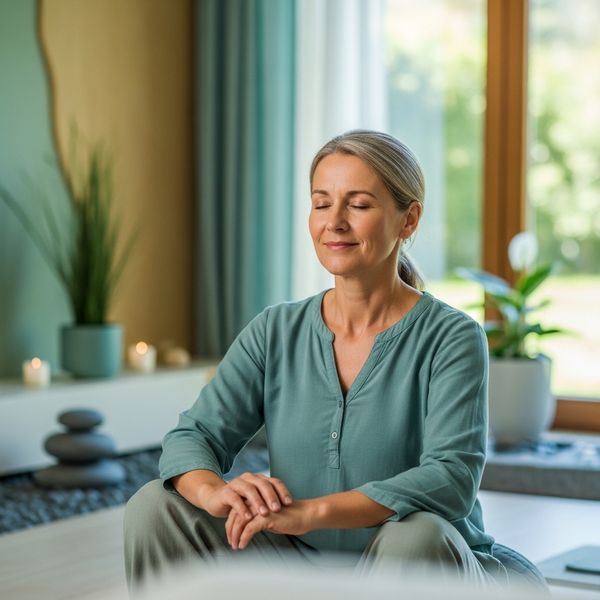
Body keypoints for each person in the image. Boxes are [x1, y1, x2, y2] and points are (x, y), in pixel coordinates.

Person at [124, 130, 508, 591]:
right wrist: (217, 494)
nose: (335, 222)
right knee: (155, 505)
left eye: (359, 205)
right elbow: (195, 435)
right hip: (291, 566)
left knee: (417, 535)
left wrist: (311, 512)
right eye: (322, 203)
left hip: (413, 566)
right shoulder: (275, 330)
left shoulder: (452, 336)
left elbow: (451, 478)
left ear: (409, 220)